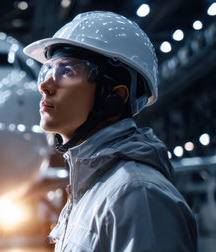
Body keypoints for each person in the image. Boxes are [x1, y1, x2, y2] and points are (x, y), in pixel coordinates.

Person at [23, 11, 197, 251]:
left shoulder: (138, 195)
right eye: (49, 70)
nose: (45, 85)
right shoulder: (91, 190)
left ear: (115, 97)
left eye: (68, 72)